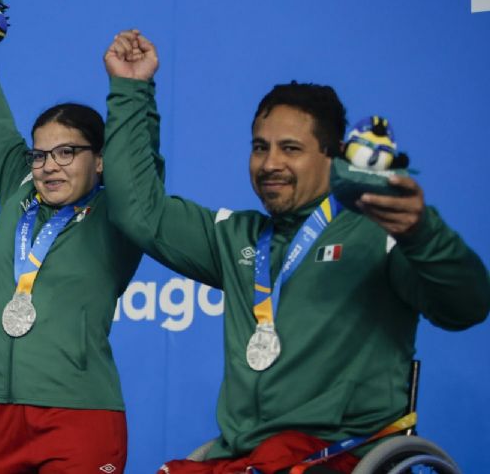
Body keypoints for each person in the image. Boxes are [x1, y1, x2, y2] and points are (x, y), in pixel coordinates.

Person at [101, 30, 490, 473]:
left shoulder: (378, 233)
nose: (270, 164)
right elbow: (138, 212)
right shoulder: (238, 238)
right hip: (248, 458)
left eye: (291, 149)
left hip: (340, 453)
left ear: (334, 156)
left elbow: (467, 307)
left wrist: (422, 235)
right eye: (259, 148)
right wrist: (132, 90)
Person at [0, 27, 161, 473]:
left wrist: (135, 89)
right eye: (40, 154)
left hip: (78, 413)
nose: (49, 167)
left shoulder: (120, 214)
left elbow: (144, 163)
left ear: (101, 159)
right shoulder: (20, 190)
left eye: (67, 152)